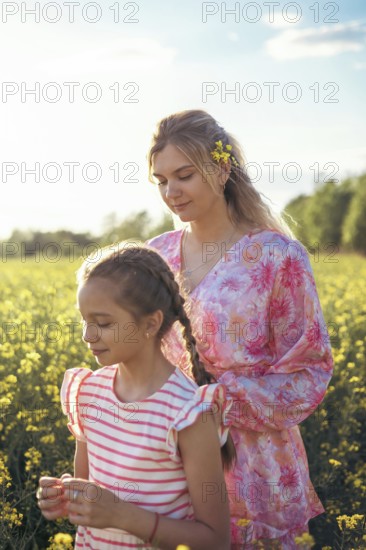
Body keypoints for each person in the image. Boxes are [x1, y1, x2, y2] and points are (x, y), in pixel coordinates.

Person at [146, 109, 334, 549]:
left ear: (222, 168)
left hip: (255, 468)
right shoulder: (155, 256)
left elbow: (310, 371)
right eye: (161, 180)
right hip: (168, 459)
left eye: (184, 175)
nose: (171, 192)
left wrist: (219, 404)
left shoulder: (276, 256)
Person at [36, 243, 235, 550]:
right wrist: (66, 498)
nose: (88, 336)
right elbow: (89, 495)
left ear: (151, 324)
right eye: (84, 321)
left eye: (103, 323)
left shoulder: (188, 413)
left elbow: (215, 540)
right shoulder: (88, 393)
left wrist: (123, 515)